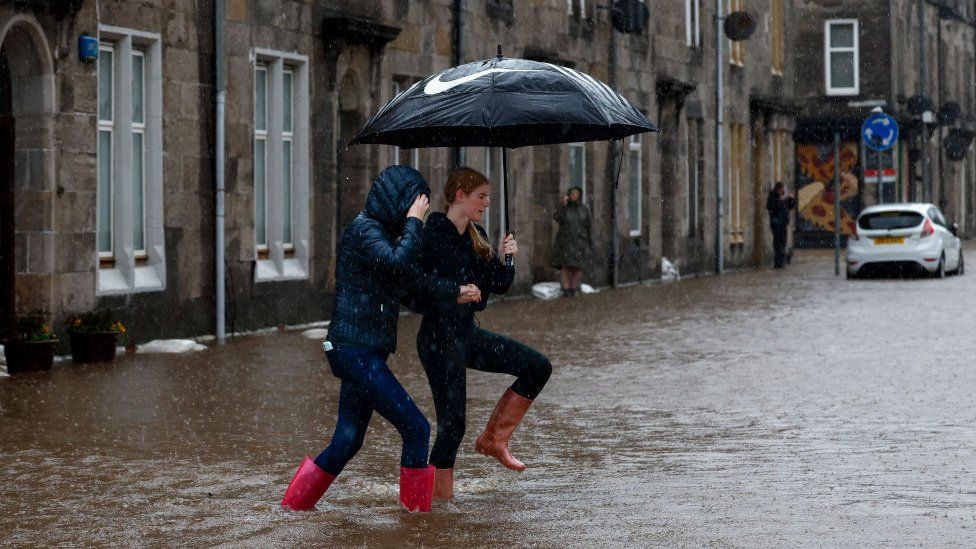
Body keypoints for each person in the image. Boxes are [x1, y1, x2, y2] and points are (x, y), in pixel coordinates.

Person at [281, 165, 435, 513]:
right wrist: (414, 223)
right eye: (417, 203)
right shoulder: (364, 230)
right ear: (400, 200)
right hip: (354, 351)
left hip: (361, 352)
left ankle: (292, 510)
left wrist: (455, 293)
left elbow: (407, 286)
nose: (420, 211)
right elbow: (396, 264)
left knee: (347, 441)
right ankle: (416, 524)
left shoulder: (382, 235)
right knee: (417, 428)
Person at [413, 167, 553, 501]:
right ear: (459, 196)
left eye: (489, 196)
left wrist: (507, 260)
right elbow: (414, 289)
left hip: (467, 334)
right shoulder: (431, 233)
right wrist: (455, 291)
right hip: (438, 339)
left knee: (538, 367)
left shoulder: (476, 236)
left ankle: (495, 438)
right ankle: (438, 506)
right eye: (481, 196)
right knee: (453, 426)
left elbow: (499, 285)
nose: (487, 203)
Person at [551, 186, 592, 296]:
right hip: (565, 242)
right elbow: (556, 218)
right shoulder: (565, 208)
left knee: (577, 267)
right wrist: (562, 206)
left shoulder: (584, 209)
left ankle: (573, 288)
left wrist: (589, 241)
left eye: (576, 193)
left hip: (580, 242)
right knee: (565, 266)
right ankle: (566, 289)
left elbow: (589, 226)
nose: (574, 195)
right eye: (572, 193)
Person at [766, 181, 796, 269]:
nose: (783, 191)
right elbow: (771, 207)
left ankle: (782, 261)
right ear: (778, 189)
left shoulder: (783, 197)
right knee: (778, 243)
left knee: (783, 242)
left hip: (783, 224)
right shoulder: (773, 197)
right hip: (776, 223)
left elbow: (790, 206)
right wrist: (779, 201)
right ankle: (778, 262)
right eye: (782, 189)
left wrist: (790, 199)